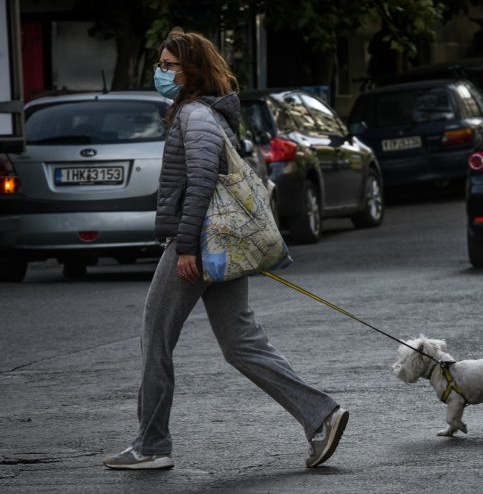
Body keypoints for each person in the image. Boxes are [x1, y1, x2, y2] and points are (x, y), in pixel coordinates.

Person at [103, 31, 348, 470]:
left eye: (168, 66)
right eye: (159, 65)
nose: (160, 74)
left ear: (191, 70)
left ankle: (151, 445)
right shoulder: (205, 112)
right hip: (217, 246)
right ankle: (320, 415)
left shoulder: (194, 116)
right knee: (240, 342)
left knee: (155, 336)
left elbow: (200, 182)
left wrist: (187, 247)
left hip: (196, 243)